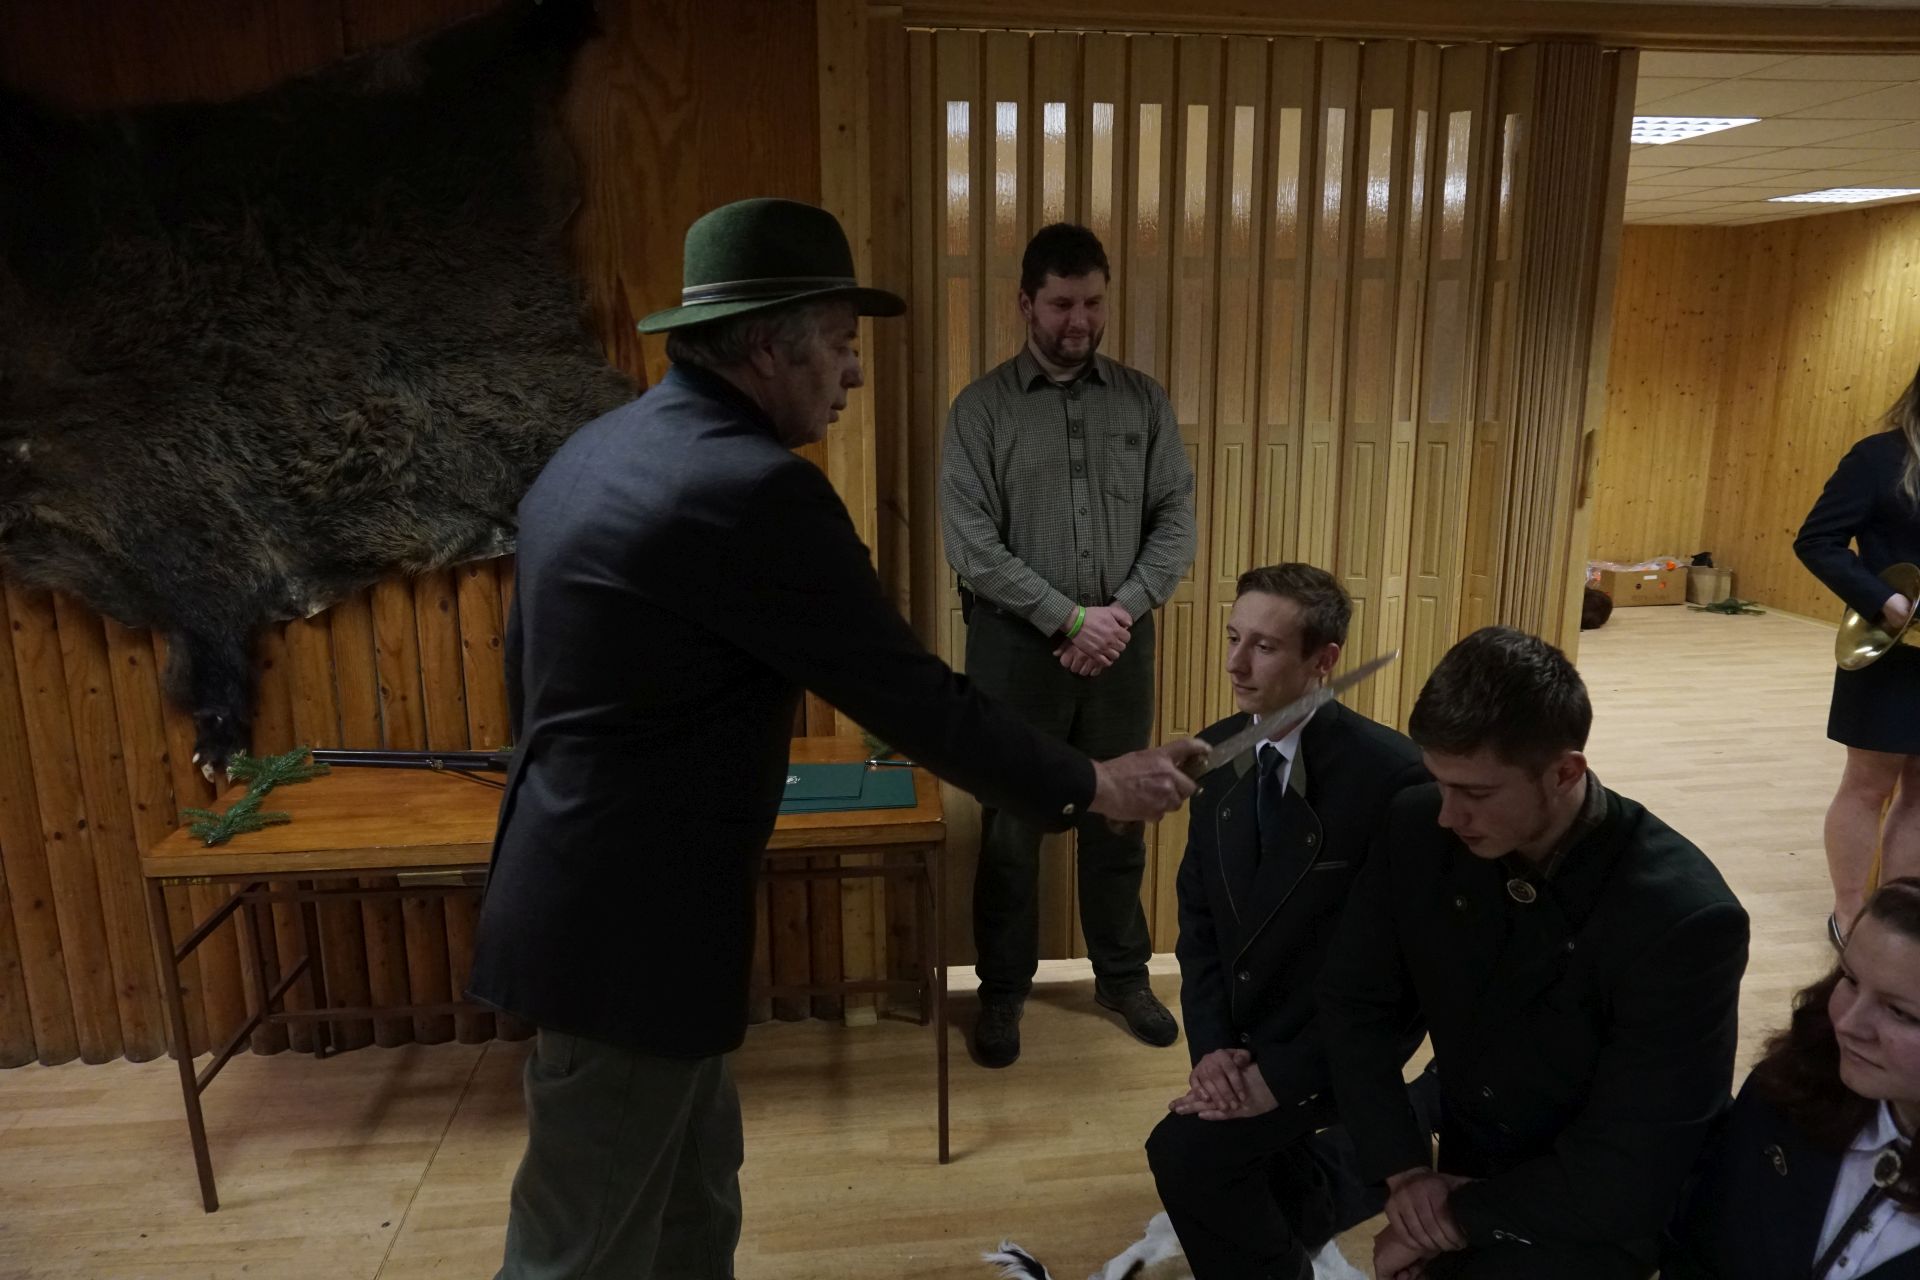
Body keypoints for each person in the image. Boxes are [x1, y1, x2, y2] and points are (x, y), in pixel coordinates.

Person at [467, 198, 1204, 1280]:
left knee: (692, 1206)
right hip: (628, 933)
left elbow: (527, 676)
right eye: (842, 342)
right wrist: (1092, 782)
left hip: (602, 906)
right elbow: (907, 694)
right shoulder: (754, 490)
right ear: (771, 346)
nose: (854, 372)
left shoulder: (598, 449)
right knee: (578, 1254)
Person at [1317, 626, 1751, 1280]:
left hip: (1592, 1216)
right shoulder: (1417, 826)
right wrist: (1405, 1174)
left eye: (1476, 793)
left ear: (1565, 772)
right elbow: (1354, 1003)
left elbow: (1634, 1165)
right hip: (1465, 1151)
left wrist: (1455, 1219)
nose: (1449, 815)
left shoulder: (1683, 917)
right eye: (1440, 782)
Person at [939, 221, 1197, 1067]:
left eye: (1092, 302)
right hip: (1016, 649)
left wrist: (1116, 613)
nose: (1078, 320)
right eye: (1060, 304)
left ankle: (1121, 978)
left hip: (1121, 643)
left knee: (1120, 819)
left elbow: (1175, 520)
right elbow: (972, 544)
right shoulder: (980, 410)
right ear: (1025, 303)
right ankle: (1002, 992)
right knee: (1012, 827)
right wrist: (1068, 619)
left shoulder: (1143, 402)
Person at [1144, 564, 1429, 1280]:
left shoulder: (1391, 779)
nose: (1236, 664)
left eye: (1264, 647)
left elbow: (1402, 979)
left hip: (1333, 1047)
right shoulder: (1216, 753)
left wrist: (1284, 1074)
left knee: (1184, 1152)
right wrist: (1212, 1048)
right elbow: (1199, 921)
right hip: (1241, 1038)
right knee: (1257, 1178)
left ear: (1323, 661)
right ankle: (1312, 1199)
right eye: (1232, 638)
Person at [1664, 877, 1920, 1280]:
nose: (1848, 1024)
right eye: (1850, 980)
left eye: (1900, 1012)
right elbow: (1700, 1244)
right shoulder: (1793, 1088)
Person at [1794, 371, 1920, 949]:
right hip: (1890, 649)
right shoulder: (1878, 458)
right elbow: (1817, 540)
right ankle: (1849, 914)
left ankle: (1899, 920)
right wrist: (1882, 600)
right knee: (1869, 787)